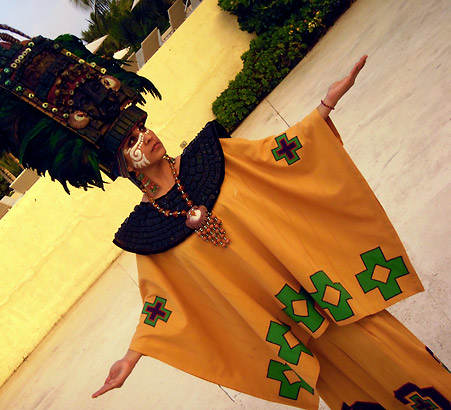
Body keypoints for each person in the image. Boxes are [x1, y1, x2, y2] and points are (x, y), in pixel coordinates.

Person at [92, 56, 451, 410]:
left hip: (326, 296)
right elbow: (159, 303)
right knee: (357, 400)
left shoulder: (212, 155)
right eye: (132, 142)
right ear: (124, 167)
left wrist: (326, 105)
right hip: (293, 335)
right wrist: (131, 359)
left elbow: (277, 155)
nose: (147, 137)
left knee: (407, 367)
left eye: (143, 128)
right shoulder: (145, 233)